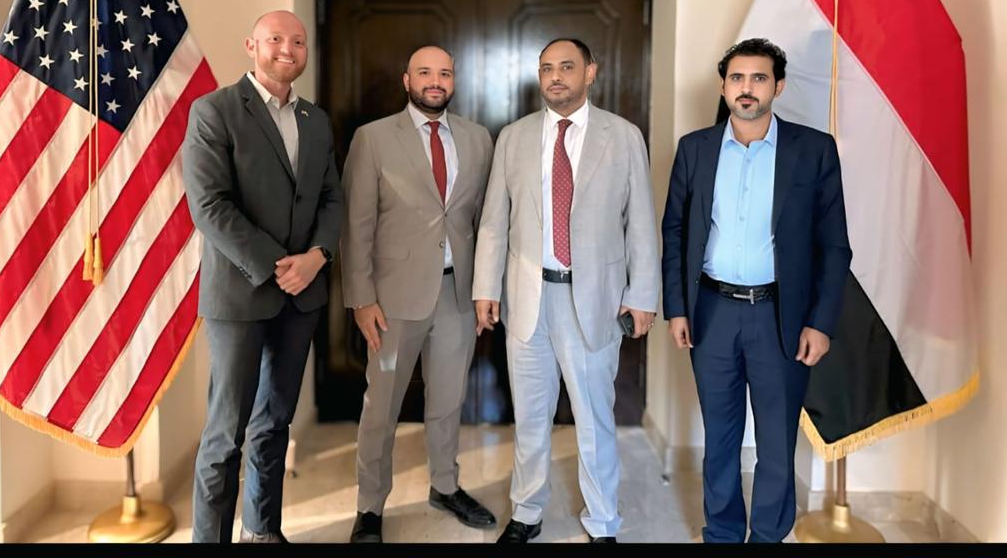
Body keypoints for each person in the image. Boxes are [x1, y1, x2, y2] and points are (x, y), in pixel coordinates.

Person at [660, 38, 852, 543]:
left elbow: (834, 246)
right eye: (737, 78)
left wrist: (820, 322)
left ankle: (768, 536)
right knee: (719, 439)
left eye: (759, 78)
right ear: (724, 87)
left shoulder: (813, 150)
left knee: (776, 442)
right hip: (711, 312)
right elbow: (674, 231)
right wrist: (677, 308)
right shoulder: (695, 148)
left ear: (778, 87)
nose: (747, 88)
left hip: (780, 317)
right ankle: (722, 534)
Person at [473, 38, 660, 544]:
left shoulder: (623, 136)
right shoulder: (513, 137)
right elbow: (494, 221)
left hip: (594, 300)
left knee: (594, 419)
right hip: (528, 300)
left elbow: (641, 223)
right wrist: (485, 288)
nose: (555, 76)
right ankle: (526, 513)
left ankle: (603, 522)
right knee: (530, 418)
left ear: (590, 72)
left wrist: (643, 294)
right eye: (547, 68)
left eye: (567, 67)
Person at [183, 10, 343, 544]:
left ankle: (262, 531)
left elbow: (331, 198)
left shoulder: (316, 120)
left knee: (274, 424)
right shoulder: (214, 110)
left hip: (303, 296)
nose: (287, 49)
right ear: (251, 45)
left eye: (298, 41)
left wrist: (318, 255)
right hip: (240, 295)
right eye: (275, 39)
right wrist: (280, 266)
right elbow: (210, 206)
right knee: (224, 434)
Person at [340, 45, 496, 543]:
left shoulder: (477, 138)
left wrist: (486, 289)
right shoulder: (373, 138)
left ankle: (445, 486)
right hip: (391, 303)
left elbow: (487, 221)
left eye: (444, 73)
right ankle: (369, 506)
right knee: (381, 405)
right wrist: (361, 299)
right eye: (425, 72)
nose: (435, 81)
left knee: (448, 400)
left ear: (453, 81)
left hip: (457, 295)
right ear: (406, 80)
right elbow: (356, 224)